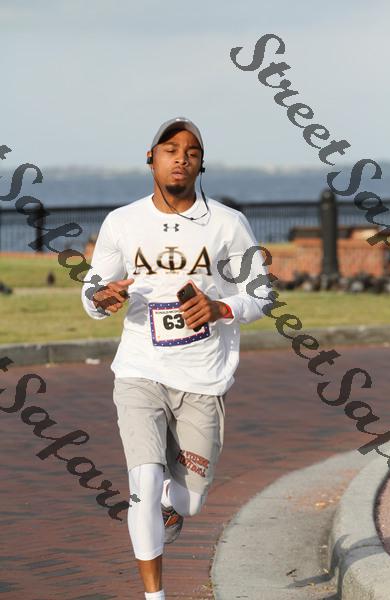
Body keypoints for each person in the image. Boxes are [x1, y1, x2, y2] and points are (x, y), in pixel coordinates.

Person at [81, 116, 272, 599]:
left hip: (202, 377)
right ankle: (155, 596)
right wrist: (102, 297)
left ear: (201, 165)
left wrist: (221, 307)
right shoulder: (122, 222)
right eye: (170, 150)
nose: (180, 158)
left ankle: (172, 500)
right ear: (151, 159)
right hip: (139, 370)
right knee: (142, 483)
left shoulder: (227, 223)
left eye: (191, 152)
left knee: (188, 503)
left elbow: (261, 295)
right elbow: (92, 292)